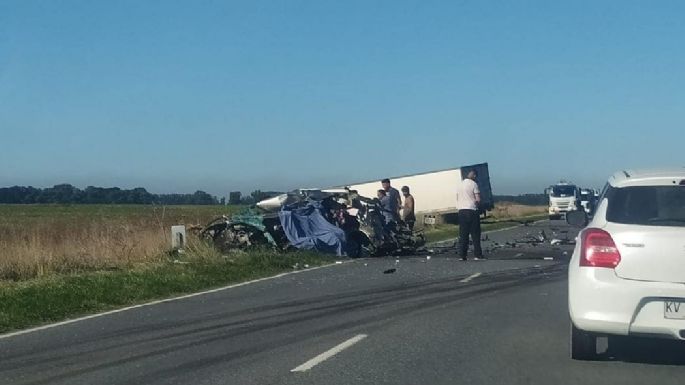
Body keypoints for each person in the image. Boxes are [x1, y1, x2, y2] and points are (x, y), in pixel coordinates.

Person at [456, 169, 484, 260]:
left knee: (463, 234)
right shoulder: (474, 184)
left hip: (461, 211)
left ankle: (462, 255)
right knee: (475, 234)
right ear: (474, 175)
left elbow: (457, 197)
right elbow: (478, 199)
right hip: (471, 210)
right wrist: (479, 205)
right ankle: (477, 255)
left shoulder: (460, 184)